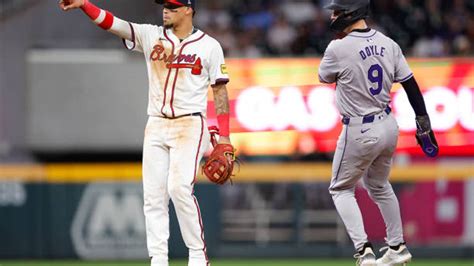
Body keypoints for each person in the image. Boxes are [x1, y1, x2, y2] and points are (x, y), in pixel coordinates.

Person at [59, 0, 233, 265]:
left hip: (190, 124)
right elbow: (114, 24)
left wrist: (224, 136)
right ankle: (158, 259)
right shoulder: (151, 35)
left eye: (173, 6)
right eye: (164, 5)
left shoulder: (209, 46)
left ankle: (198, 256)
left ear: (188, 10)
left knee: (178, 189)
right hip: (156, 123)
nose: (165, 10)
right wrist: (85, 4)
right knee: (153, 196)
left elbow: (220, 91)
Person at [318, 0, 438, 265]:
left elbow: (324, 77)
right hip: (388, 125)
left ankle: (364, 252)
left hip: (359, 127)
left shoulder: (338, 47)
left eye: (336, 12)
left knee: (341, 189)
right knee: (380, 186)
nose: (332, 17)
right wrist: (423, 121)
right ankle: (397, 246)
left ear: (350, 13)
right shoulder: (388, 43)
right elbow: (410, 84)